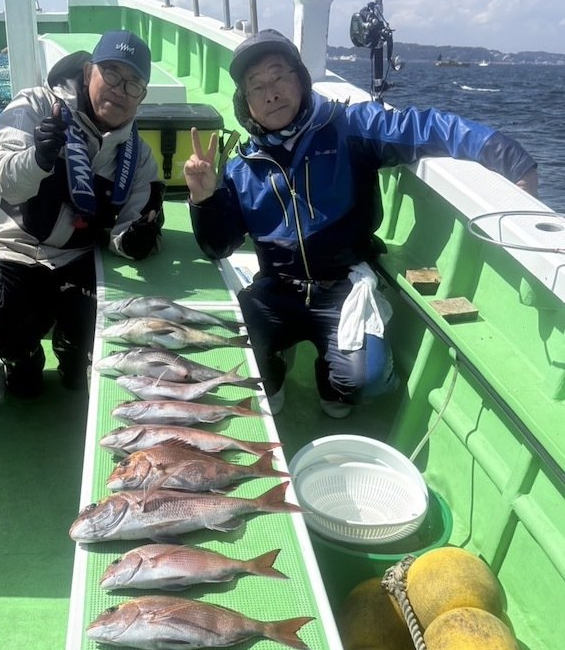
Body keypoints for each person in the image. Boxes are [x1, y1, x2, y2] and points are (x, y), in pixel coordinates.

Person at [184, 29, 538, 416]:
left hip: (343, 286)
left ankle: (333, 382)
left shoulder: (349, 126)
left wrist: (506, 155)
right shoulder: (240, 167)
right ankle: (274, 366)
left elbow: (425, 127)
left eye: (279, 76)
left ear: (300, 79)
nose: (271, 93)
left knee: (361, 382)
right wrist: (203, 199)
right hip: (276, 288)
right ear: (246, 102)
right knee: (233, 354)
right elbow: (218, 246)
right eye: (257, 86)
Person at [0, 30, 165, 397]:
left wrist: (132, 240)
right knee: (2, 319)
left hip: (79, 255)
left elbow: (129, 226)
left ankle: (70, 353)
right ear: (88, 73)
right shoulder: (34, 105)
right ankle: (23, 357)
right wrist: (38, 158)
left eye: (133, 83)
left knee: (96, 331)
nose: (120, 89)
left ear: (142, 96)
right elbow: (4, 180)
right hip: (15, 247)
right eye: (111, 73)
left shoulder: (139, 156)